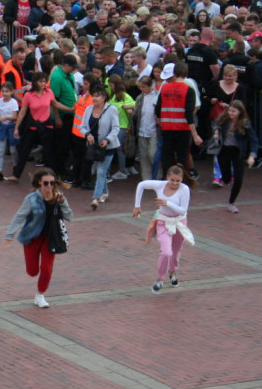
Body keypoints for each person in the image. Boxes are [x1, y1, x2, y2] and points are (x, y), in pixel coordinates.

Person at [3, 168, 73, 308]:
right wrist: (9, 236)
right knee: (32, 271)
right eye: (46, 183)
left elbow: (70, 217)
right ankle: (38, 287)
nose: (49, 186)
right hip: (32, 237)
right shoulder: (31, 199)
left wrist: (63, 202)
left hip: (50, 238)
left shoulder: (58, 197)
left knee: (46, 268)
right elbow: (19, 217)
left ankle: (40, 295)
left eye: (52, 183)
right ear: (40, 183)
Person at [133, 165, 194, 294]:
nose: (175, 183)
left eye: (178, 181)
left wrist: (167, 203)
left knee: (176, 251)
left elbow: (183, 210)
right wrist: (137, 205)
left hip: (179, 222)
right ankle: (160, 279)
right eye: (172, 180)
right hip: (163, 221)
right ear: (167, 178)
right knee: (166, 252)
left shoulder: (184, 189)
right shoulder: (160, 185)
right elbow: (141, 185)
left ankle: (172, 272)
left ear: (182, 179)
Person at [7, 72, 69, 183]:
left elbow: (55, 104)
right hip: (33, 127)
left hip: (46, 126)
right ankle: (16, 175)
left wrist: (69, 109)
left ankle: (54, 176)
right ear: (35, 82)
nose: (43, 83)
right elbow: (22, 113)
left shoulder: (49, 92)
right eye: (41, 81)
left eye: (44, 81)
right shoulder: (28, 95)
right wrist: (16, 128)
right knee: (24, 151)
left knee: (49, 152)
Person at [156, 62, 202, 177]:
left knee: (167, 155)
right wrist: (195, 134)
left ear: (175, 73)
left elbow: (157, 109)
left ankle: (166, 179)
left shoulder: (165, 87)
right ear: (186, 74)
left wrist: (161, 120)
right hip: (183, 129)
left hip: (167, 128)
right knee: (182, 157)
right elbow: (189, 114)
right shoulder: (189, 90)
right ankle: (181, 179)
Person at [78, 84, 121, 210]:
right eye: (94, 96)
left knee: (101, 171)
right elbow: (82, 127)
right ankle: (105, 192)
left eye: (98, 96)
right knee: (99, 170)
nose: (95, 99)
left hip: (108, 146)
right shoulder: (88, 109)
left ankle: (95, 198)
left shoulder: (112, 109)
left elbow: (115, 128)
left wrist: (108, 140)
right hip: (94, 146)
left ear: (104, 97)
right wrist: (87, 134)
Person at [213, 100, 259, 213]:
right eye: (230, 110)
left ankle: (231, 203)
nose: (231, 113)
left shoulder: (245, 123)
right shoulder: (224, 119)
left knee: (238, 179)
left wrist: (252, 156)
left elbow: (254, 140)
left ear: (240, 112)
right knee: (226, 177)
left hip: (237, 151)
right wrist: (216, 132)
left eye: (234, 111)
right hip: (224, 150)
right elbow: (216, 123)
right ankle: (227, 180)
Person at [0, 82, 19, 182]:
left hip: (11, 127)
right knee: (1, 149)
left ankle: (16, 167)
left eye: (7, 91)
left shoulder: (14, 102)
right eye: (3, 91)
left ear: (12, 92)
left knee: (13, 150)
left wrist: (6, 117)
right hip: (2, 128)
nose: (4, 93)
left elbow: (15, 117)